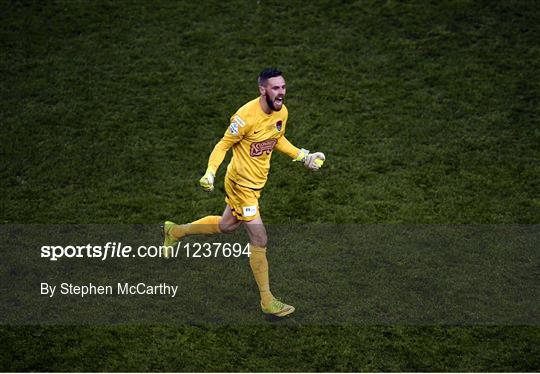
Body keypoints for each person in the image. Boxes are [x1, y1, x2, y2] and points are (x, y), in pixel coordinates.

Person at [162, 68, 325, 318]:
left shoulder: (282, 111)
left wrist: (303, 156)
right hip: (241, 186)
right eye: (275, 88)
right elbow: (223, 144)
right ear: (262, 89)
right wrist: (210, 172)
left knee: (227, 225)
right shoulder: (244, 117)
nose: (281, 92)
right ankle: (267, 300)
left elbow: (277, 137)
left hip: (255, 184)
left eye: (283, 87)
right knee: (259, 239)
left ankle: (174, 231)